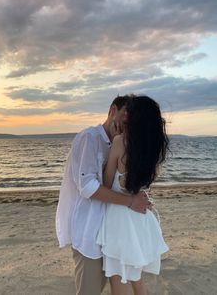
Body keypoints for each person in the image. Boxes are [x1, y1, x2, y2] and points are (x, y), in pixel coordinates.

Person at [56, 95, 151, 295]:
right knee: (90, 290)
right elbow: (87, 187)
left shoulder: (122, 143)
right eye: (124, 119)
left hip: (113, 232)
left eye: (129, 122)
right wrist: (131, 201)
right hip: (89, 231)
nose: (125, 125)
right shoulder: (90, 137)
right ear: (112, 109)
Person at [96, 95, 169, 295]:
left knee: (119, 280)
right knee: (137, 281)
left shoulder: (120, 142)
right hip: (141, 219)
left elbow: (106, 182)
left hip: (120, 221)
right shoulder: (154, 149)